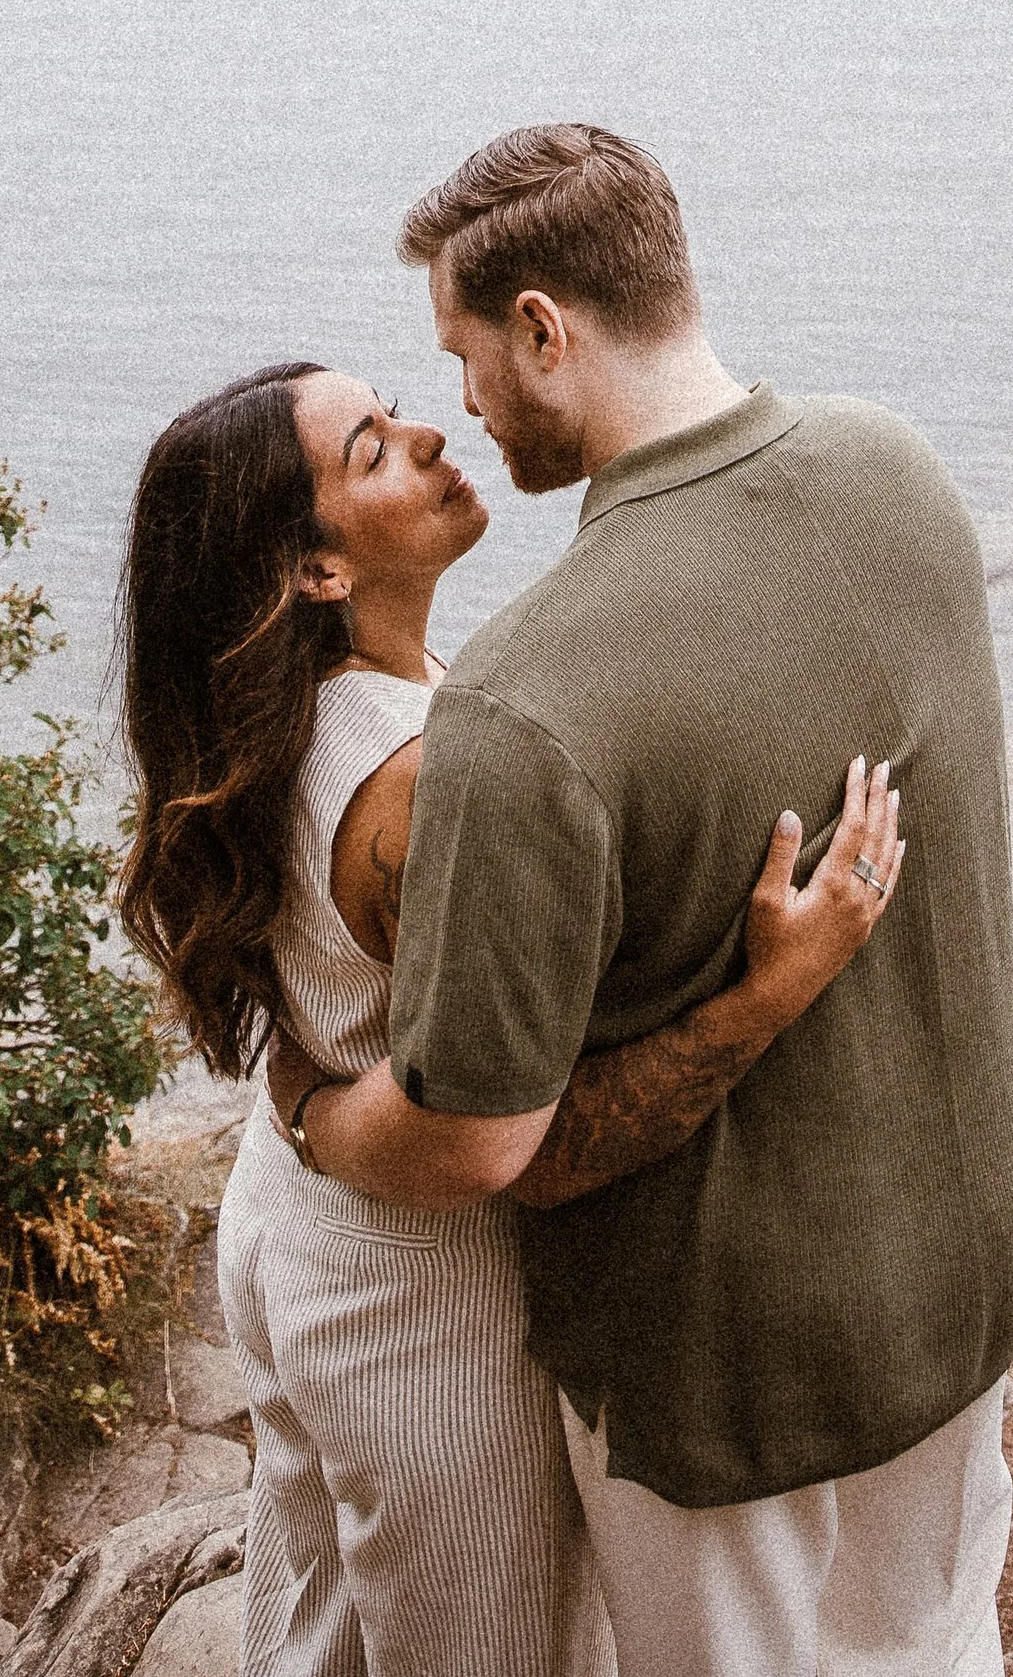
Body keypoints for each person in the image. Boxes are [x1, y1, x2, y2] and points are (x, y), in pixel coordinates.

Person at [271, 125, 1013, 1677]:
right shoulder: (900, 466)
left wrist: (304, 1099)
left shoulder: (523, 706)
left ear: (546, 327)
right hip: (960, 1272)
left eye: (468, 357)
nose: (465, 407)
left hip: (720, 1373)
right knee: (939, 1651)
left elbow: (495, 1150)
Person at [118, 354, 904, 1677]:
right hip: (414, 1297)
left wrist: (306, 1095)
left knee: (317, 1631)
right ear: (314, 570)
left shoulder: (290, 723)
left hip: (293, 1232)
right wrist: (774, 984)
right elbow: (509, 1135)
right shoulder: (417, 788)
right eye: (373, 450)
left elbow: (332, 997)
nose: (429, 433)